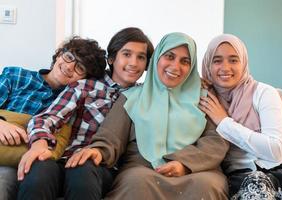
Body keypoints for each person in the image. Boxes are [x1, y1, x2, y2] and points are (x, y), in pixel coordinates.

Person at [67, 32, 230, 199]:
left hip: (197, 168)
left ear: (192, 66)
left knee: (207, 185)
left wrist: (185, 164)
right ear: (157, 58)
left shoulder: (204, 97)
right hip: (144, 168)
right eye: (169, 56)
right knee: (136, 181)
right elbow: (112, 135)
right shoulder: (132, 96)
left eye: (185, 61)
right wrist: (99, 150)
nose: (175, 66)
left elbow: (216, 141)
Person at [17, 27, 154, 200]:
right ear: (112, 59)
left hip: (100, 167)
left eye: (141, 57)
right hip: (64, 158)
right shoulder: (85, 86)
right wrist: (39, 145)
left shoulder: (145, 95)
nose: (134, 63)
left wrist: (200, 85)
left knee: (82, 170)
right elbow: (47, 118)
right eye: (126, 54)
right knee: (38, 170)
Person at [0, 36, 105, 200]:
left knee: (3, 182)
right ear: (58, 55)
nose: (69, 67)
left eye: (80, 68)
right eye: (69, 57)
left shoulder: (72, 102)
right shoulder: (16, 75)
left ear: (85, 79)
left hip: (19, 161)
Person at [199, 33, 282, 199]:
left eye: (233, 60)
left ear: (243, 63)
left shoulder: (264, 93)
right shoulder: (206, 99)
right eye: (217, 60)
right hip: (245, 174)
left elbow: (275, 150)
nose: (225, 67)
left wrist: (224, 122)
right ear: (207, 65)